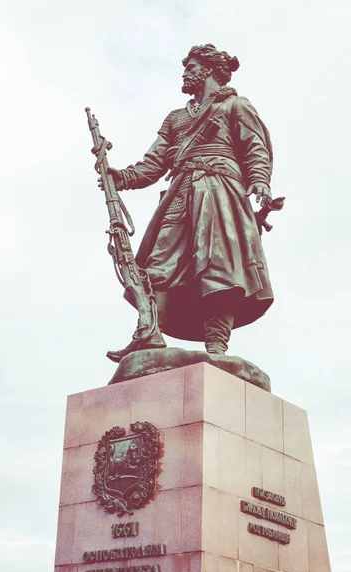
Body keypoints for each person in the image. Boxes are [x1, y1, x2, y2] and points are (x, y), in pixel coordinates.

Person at [104, 44, 274, 360]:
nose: (185, 74)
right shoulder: (176, 118)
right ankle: (149, 333)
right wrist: (121, 177)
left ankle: (216, 346)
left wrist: (260, 181)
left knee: (219, 265)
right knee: (157, 268)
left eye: (191, 67)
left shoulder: (236, 105)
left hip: (219, 191)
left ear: (209, 70)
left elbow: (255, 148)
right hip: (179, 194)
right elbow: (153, 163)